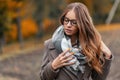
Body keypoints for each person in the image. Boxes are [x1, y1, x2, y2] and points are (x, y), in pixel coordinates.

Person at [40, 2, 113, 80]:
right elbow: (43, 77)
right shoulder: (51, 45)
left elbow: (98, 78)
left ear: (82, 24)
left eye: (74, 22)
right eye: (66, 20)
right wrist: (53, 65)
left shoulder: (90, 46)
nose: (68, 25)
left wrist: (107, 55)